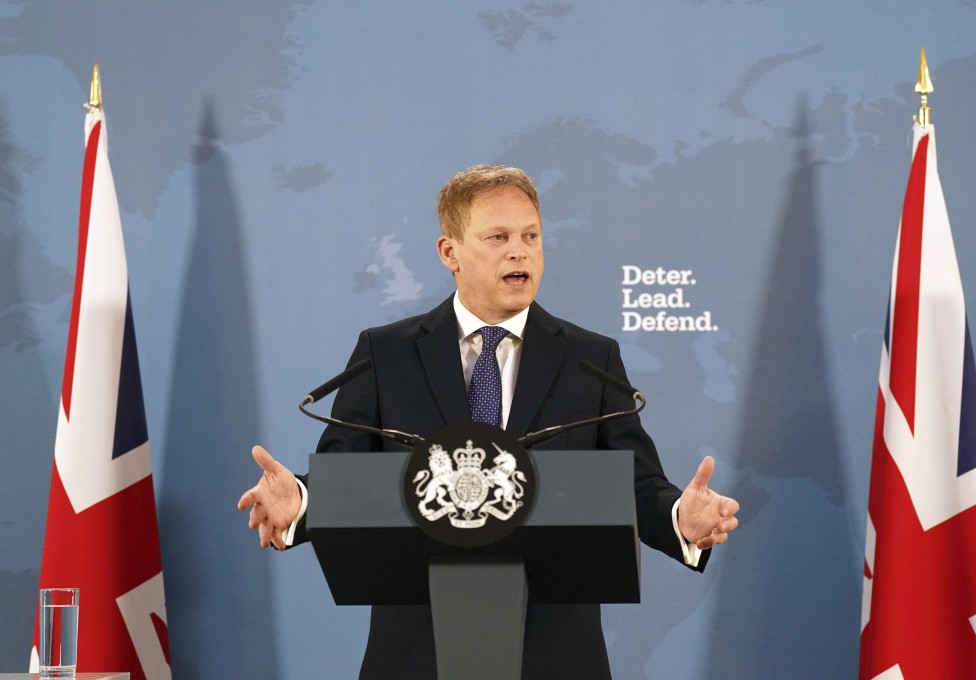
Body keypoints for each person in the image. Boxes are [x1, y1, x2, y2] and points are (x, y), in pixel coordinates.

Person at [237, 164, 740, 679]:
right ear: (449, 252)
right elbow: (346, 478)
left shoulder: (591, 358)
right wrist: (298, 500)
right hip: (419, 652)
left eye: (531, 236)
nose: (519, 251)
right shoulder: (386, 354)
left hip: (555, 653)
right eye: (498, 237)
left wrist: (681, 516)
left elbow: (634, 484)